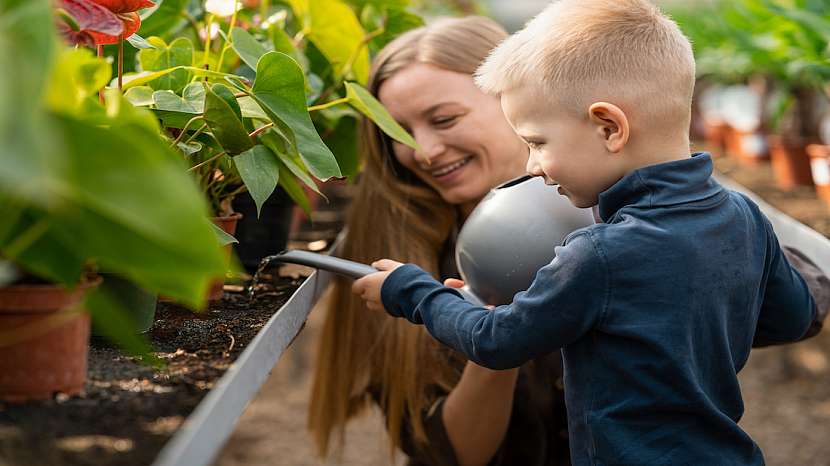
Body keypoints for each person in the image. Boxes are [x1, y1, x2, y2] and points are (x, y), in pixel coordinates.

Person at [311, 11, 829, 466]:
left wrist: (416, 292)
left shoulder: (598, 250)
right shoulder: (737, 215)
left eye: (535, 139)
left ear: (608, 127)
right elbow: (793, 314)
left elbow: (497, 341)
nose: (423, 150)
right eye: (397, 134)